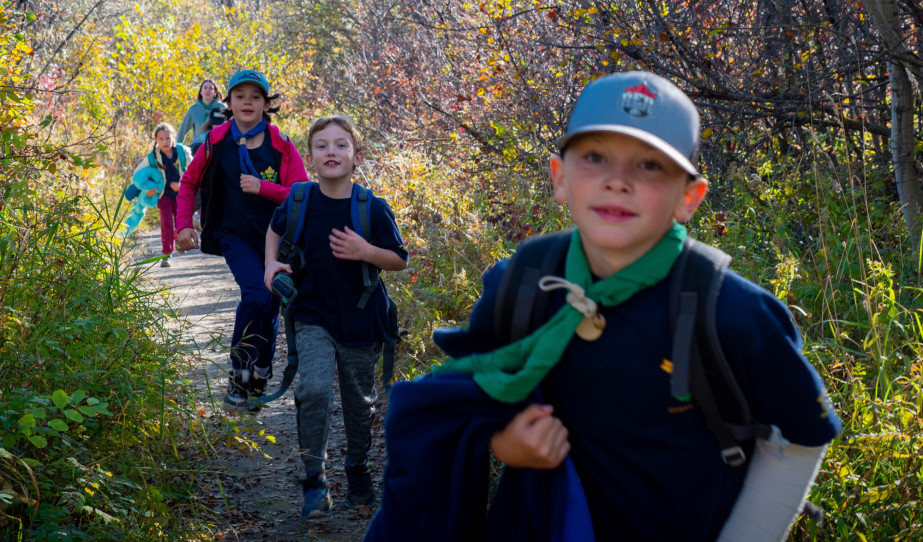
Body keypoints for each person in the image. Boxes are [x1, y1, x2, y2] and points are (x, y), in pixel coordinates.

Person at [366, 71, 841, 542]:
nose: (618, 181)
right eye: (595, 157)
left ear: (689, 198)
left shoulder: (727, 309)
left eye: (650, 166)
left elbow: (803, 433)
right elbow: (475, 395)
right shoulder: (528, 277)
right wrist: (501, 441)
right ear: (560, 179)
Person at [263, 115, 408, 518]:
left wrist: (366, 251)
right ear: (310, 159)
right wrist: (270, 266)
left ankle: (357, 470)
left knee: (360, 404)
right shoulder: (299, 201)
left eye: (341, 145)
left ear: (356, 157)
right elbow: (274, 231)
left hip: (363, 320)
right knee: (313, 389)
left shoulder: (372, 208)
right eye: (322, 145)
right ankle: (314, 480)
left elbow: (398, 258)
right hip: (312, 316)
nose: (331, 151)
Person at [175, 69, 308, 409]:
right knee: (257, 296)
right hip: (235, 236)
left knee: (272, 303)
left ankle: (261, 371)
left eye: (255, 96)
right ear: (229, 103)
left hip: (278, 240)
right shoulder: (215, 140)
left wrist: (264, 188)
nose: (247, 102)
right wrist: (183, 225)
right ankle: (239, 375)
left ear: (266, 104)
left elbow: (300, 193)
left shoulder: (281, 143)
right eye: (240, 96)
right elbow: (188, 183)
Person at [130, 123, 191, 267]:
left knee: (181, 223)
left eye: (168, 138)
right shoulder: (152, 157)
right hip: (164, 195)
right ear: (156, 140)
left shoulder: (182, 152)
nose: (165, 142)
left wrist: (182, 186)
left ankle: (179, 241)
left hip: (182, 194)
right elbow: (137, 174)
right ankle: (166, 255)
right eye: (161, 139)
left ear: (173, 138)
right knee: (166, 223)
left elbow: (194, 171)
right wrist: (148, 188)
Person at [176, 79, 227, 145]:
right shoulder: (193, 109)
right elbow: (182, 131)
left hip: (218, 145)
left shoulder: (222, 107)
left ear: (215, 92)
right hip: (199, 146)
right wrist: (178, 148)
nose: (207, 90)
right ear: (200, 91)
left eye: (211, 88)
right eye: (205, 88)